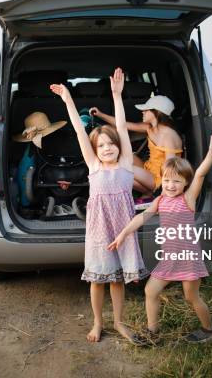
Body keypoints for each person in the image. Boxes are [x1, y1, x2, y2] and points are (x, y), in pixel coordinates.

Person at [50, 68, 149, 345]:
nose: (107, 148)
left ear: (119, 147)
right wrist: (69, 101)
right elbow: (81, 131)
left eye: (111, 144)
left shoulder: (126, 164)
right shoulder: (93, 166)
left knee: (117, 280)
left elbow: (120, 127)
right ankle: (97, 322)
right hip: (99, 230)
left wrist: (117, 96)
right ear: (95, 150)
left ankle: (118, 322)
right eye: (101, 145)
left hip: (123, 229)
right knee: (98, 279)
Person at [107, 133, 212, 344]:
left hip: (188, 257)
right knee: (150, 290)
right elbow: (141, 217)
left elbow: (199, 174)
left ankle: (209, 330)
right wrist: (123, 233)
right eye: (166, 180)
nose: (170, 185)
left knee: (192, 297)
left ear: (185, 183)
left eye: (176, 181)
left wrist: (211, 154)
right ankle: (153, 331)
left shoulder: (187, 199)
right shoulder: (161, 200)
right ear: (160, 180)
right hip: (170, 258)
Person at [90, 95, 183, 196]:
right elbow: (123, 124)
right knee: (122, 155)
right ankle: (148, 192)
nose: (142, 112)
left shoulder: (168, 135)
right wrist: (100, 114)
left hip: (161, 179)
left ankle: (153, 193)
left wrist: (165, 193)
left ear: (156, 112)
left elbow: (171, 168)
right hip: (149, 169)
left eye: (146, 110)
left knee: (124, 168)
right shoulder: (149, 128)